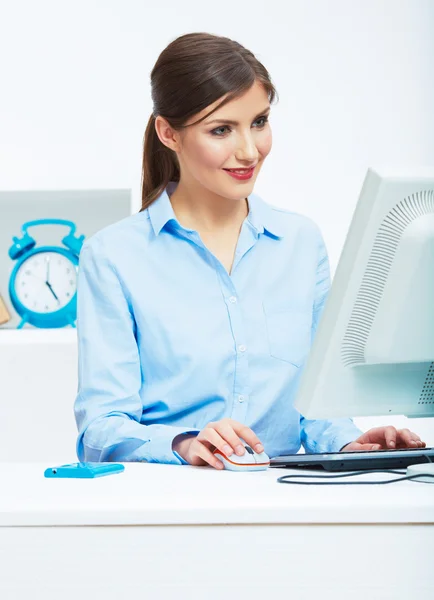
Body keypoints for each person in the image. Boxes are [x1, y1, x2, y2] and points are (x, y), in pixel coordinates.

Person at [74, 32, 426, 469]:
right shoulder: (114, 256)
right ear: (169, 133)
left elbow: (315, 416)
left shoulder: (300, 243)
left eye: (258, 122)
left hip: (282, 503)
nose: (248, 150)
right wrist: (184, 443)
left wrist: (353, 444)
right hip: (168, 504)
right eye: (221, 129)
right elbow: (102, 427)